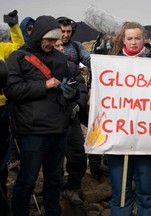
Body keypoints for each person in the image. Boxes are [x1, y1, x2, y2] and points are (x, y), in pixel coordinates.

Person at [5, 15, 78, 215]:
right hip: (32, 131)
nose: (53, 43)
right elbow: (12, 90)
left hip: (59, 130)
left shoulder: (60, 58)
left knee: (55, 179)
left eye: (55, 40)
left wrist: (71, 94)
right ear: (38, 35)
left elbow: (69, 88)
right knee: (27, 179)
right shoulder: (18, 57)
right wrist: (44, 85)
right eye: (49, 39)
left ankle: (53, 212)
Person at [106, 21, 151, 216]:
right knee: (120, 193)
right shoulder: (111, 67)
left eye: (138, 38)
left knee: (147, 191)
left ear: (143, 39)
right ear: (123, 40)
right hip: (118, 136)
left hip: (146, 137)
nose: (134, 42)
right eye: (130, 38)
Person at [53, 39, 89, 205]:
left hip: (71, 120)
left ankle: (73, 188)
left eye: (62, 45)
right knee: (53, 159)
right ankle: (55, 190)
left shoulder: (72, 67)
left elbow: (82, 90)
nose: (62, 48)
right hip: (50, 122)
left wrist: (77, 105)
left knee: (78, 155)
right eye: (57, 45)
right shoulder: (39, 68)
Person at [0, 9, 24, 216]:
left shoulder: (1, 47)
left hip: (1, 108)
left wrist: (14, 26)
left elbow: (18, 47)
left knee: (1, 157)